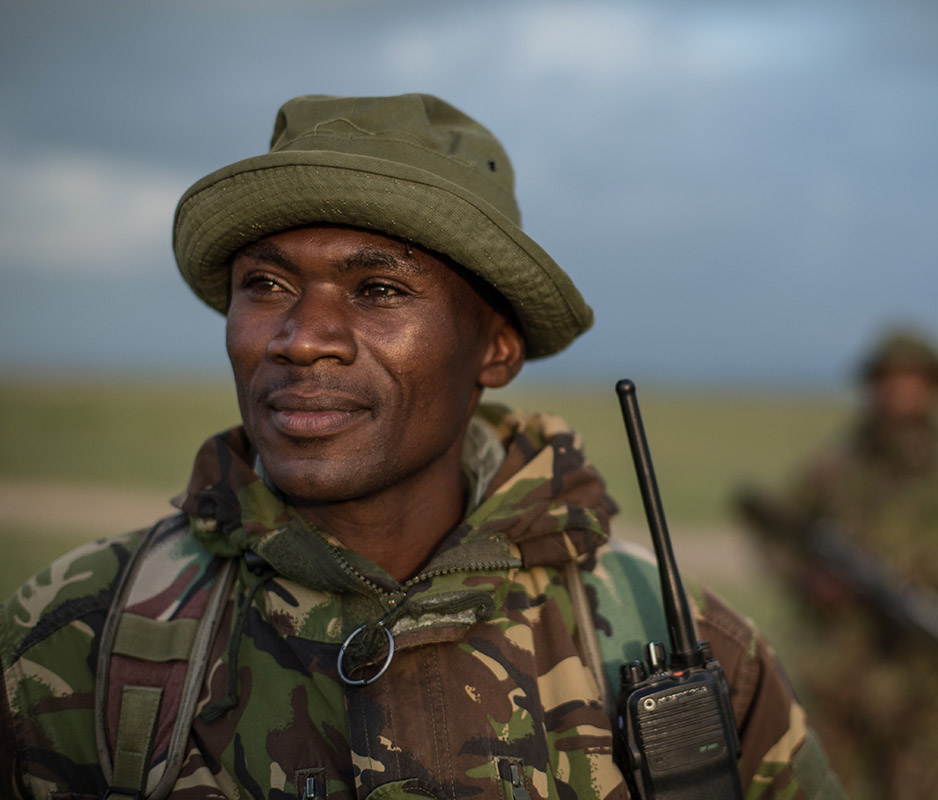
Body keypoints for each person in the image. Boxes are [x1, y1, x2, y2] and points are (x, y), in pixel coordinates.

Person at [0, 94, 844, 800]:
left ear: (496, 350)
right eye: (267, 284)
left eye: (378, 290)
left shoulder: (670, 645)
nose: (302, 339)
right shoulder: (79, 636)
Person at [750, 328, 938, 800]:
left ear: (936, 391)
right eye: (888, 382)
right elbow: (775, 531)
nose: (899, 395)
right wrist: (807, 580)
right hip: (836, 676)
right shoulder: (830, 471)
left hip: (924, 684)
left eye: (913, 383)